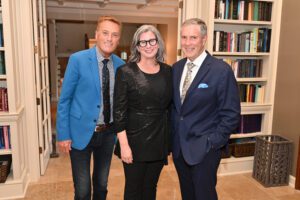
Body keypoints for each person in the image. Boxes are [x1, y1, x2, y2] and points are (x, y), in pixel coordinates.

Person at [171, 18, 241, 200]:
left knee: (204, 196)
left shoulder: (221, 70)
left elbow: (231, 114)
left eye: (193, 37)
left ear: (204, 39)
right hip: (180, 149)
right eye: (184, 37)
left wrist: (212, 142)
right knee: (187, 195)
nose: (187, 43)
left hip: (205, 149)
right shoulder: (176, 68)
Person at [56, 16, 125, 200]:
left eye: (114, 35)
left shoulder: (122, 66)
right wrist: (63, 134)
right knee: (83, 189)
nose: (109, 38)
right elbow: (65, 100)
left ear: (118, 39)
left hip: (108, 134)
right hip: (80, 132)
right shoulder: (77, 60)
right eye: (105, 33)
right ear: (97, 34)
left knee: (102, 186)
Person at [113, 25, 172, 200]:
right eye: (143, 42)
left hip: (159, 140)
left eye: (152, 40)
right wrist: (124, 146)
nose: (148, 45)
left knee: (150, 188)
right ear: (137, 46)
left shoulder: (168, 71)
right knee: (133, 190)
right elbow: (119, 112)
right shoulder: (125, 72)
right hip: (134, 142)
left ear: (158, 43)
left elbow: (171, 106)